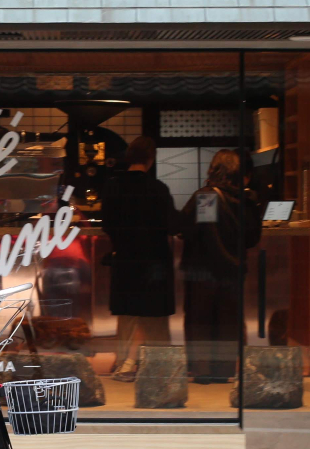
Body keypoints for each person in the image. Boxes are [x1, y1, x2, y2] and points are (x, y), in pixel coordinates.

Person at [100, 135, 180, 379]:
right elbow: (173, 224)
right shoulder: (157, 189)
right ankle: (156, 367)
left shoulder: (112, 187)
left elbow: (107, 224)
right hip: (154, 261)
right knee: (153, 316)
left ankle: (125, 362)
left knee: (129, 315)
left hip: (124, 260)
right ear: (150, 159)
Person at [180, 149, 262, 384]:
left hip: (203, 270)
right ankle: (223, 369)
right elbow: (252, 238)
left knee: (201, 321)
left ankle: (203, 368)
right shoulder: (246, 200)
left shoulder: (207, 197)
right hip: (233, 271)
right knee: (228, 322)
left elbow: (191, 229)